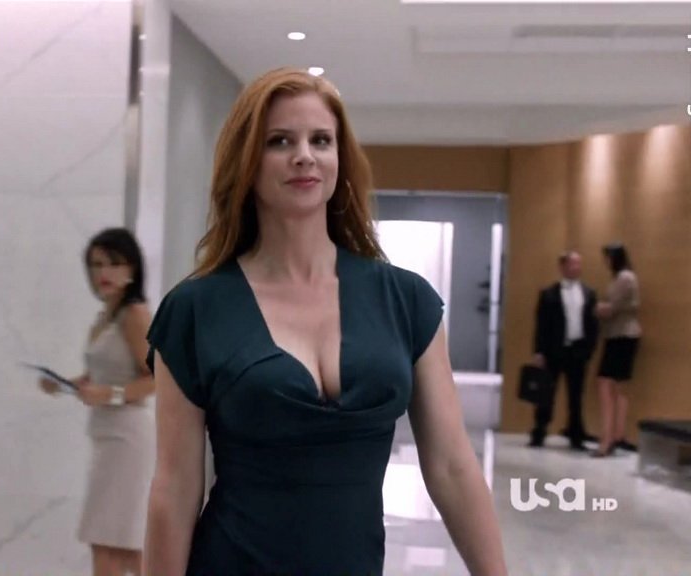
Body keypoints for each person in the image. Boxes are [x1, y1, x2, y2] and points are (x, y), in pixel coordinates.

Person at [143, 68, 506, 576]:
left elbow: (451, 466)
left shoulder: (405, 300)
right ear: (246, 162)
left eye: (321, 140)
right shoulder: (195, 310)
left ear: (340, 158)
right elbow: (175, 488)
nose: (304, 156)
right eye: (279, 141)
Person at [39, 228, 155, 576]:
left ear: (132, 268)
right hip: (107, 436)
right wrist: (65, 384)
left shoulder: (135, 315)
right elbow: (100, 377)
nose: (103, 273)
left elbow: (159, 378)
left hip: (128, 439)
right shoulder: (106, 316)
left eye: (113, 264)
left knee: (111, 543)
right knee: (119, 545)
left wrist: (109, 395)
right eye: (96, 264)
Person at [529, 251, 599, 450]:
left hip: (578, 351)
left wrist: (589, 348)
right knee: (546, 394)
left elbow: (592, 324)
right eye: (572, 264)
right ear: (562, 267)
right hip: (554, 350)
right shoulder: (549, 294)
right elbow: (541, 325)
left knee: (576, 396)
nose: (576, 268)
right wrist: (539, 351)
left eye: (578, 264)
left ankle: (576, 435)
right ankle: (539, 432)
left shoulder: (589, 293)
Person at [592, 243, 641, 458]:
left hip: (621, 336)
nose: (606, 262)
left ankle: (609, 437)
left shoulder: (625, 278)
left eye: (608, 257)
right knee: (616, 387)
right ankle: (615, 434)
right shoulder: (623, 277)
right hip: (620, 336)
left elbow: (610, 309)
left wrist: (595, 307)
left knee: (607, 384)